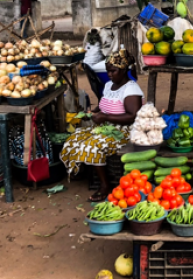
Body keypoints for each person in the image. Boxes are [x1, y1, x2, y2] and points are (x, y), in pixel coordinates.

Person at [59, 49, 143, 202]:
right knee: (75, 138)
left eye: (113, 71)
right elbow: (103, 105)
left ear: (123, 70)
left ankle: (105, 185)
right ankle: (81, 171)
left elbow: (132, 116)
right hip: (105, 127)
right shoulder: (108, 85)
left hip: (123, 132)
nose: (109, 74)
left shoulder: (131, 89)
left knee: (92, 146)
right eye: (108, 71)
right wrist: (92, 112)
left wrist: (105, 116)